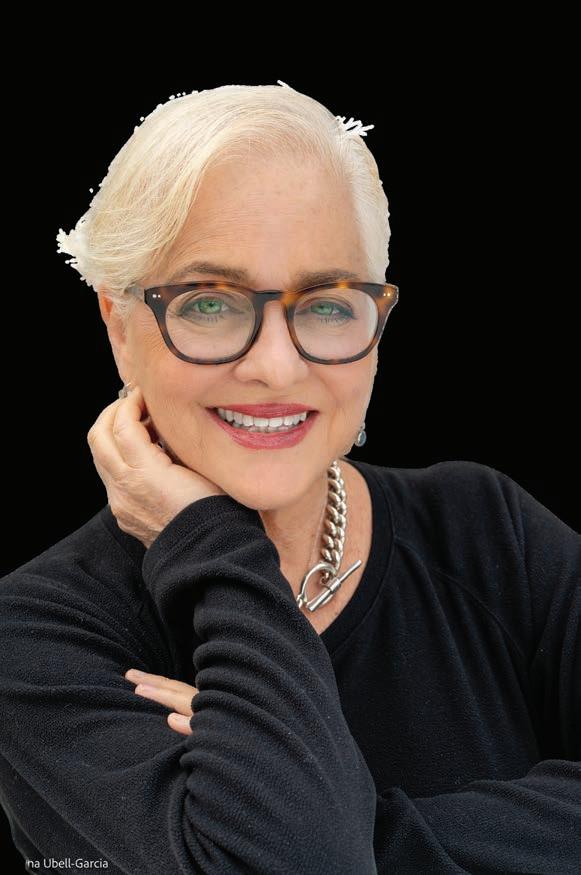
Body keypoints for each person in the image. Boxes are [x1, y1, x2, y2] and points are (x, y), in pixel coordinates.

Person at [0, 82, 579, 873]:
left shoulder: (486, 531)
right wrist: (209, 544)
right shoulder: (37, 638)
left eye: (328, 304)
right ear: (119, 326)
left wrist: (344, 825)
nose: (275, 365)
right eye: (209, 304)